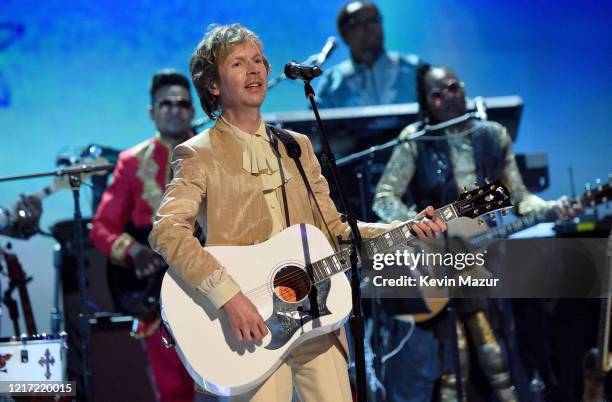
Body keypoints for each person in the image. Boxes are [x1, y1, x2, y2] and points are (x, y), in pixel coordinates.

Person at [148, 23, 447, 402]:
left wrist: (405, 227)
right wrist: (229, 297)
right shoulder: (197, 153)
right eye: (238, 63)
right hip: (250, 323)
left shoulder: (296, 146)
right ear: (213, 84)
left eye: (258, 60)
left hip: (317, 316)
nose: (255, 70)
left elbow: (336, 230)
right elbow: (168, 232)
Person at [372, 64, 576, 402]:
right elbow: (384, 197)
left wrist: (555, 208)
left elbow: (520, 198)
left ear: (464, 88)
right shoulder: (416, 141)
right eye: (437, 95)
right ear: (427, 103)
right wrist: (420, 226)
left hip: (488, 259)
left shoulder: (492, 134)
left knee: (498, 355)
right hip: (437, 261)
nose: (448, 99)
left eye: (453, 88)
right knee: (456, 361)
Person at [89, 69, 196, 402]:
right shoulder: (131, 162)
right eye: (166, 103)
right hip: (156, 298)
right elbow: (101, 227)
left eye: (182, 103)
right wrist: (134, 252)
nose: (175, 109)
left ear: (193, 110)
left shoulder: (217, 154)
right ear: (152, 111)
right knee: (174, 391)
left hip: (213, 288)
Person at [315, 0, 421, 109]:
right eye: (358, 23)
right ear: (344, 34)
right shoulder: (333, 82)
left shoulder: (414, 68)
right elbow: (316, 123)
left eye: (373, 20)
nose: (370, 27)